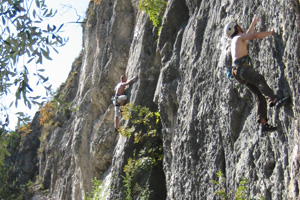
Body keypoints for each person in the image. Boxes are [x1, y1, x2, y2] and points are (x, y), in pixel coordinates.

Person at [224, 15, 288, 133]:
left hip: (238, 72)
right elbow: (254, 36)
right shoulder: (239, 37)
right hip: (242, 68)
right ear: (237, 28)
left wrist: (253, 23)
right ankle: (274, 99)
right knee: (259, 79)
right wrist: (271, 33)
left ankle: (263, 123)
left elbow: (248, 35)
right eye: (239, 26)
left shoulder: (236, 40)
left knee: (259, 95)